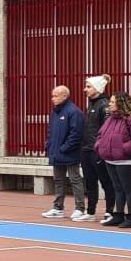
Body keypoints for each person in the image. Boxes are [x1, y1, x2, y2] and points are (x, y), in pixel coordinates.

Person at [93, 92, 131, 229]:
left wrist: (124, 149)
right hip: (110, 159)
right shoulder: (111, 118)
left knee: (128, 188)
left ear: (120, 103)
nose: (109, 104)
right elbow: (101, 134)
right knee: (117, 188)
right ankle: (118, 214)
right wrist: (99, 146)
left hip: (126, 160)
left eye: (112, 101)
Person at [42, 85, 85, 219]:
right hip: (56, 152)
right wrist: (49, 145)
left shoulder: (74, 112)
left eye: (55, 96)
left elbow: (76, 134)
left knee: (75, 179)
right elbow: (50, 131)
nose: (52, 99)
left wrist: (64, 148)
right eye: (52, 95)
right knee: (58, 180)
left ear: (64, 96)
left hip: (69, 153)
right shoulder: (55, 112)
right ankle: (58, 208)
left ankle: (80, 208)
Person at [75, 75, 110, 222]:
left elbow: (106, 130)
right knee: (90, 182)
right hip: (86, 149)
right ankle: (90, 212)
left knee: (106, 181)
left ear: (97, 88)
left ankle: (110, 211)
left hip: (97, 151)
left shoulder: (104, 105)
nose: (85, 89)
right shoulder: (91, 105)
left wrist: (100, 147)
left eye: (89, 87)